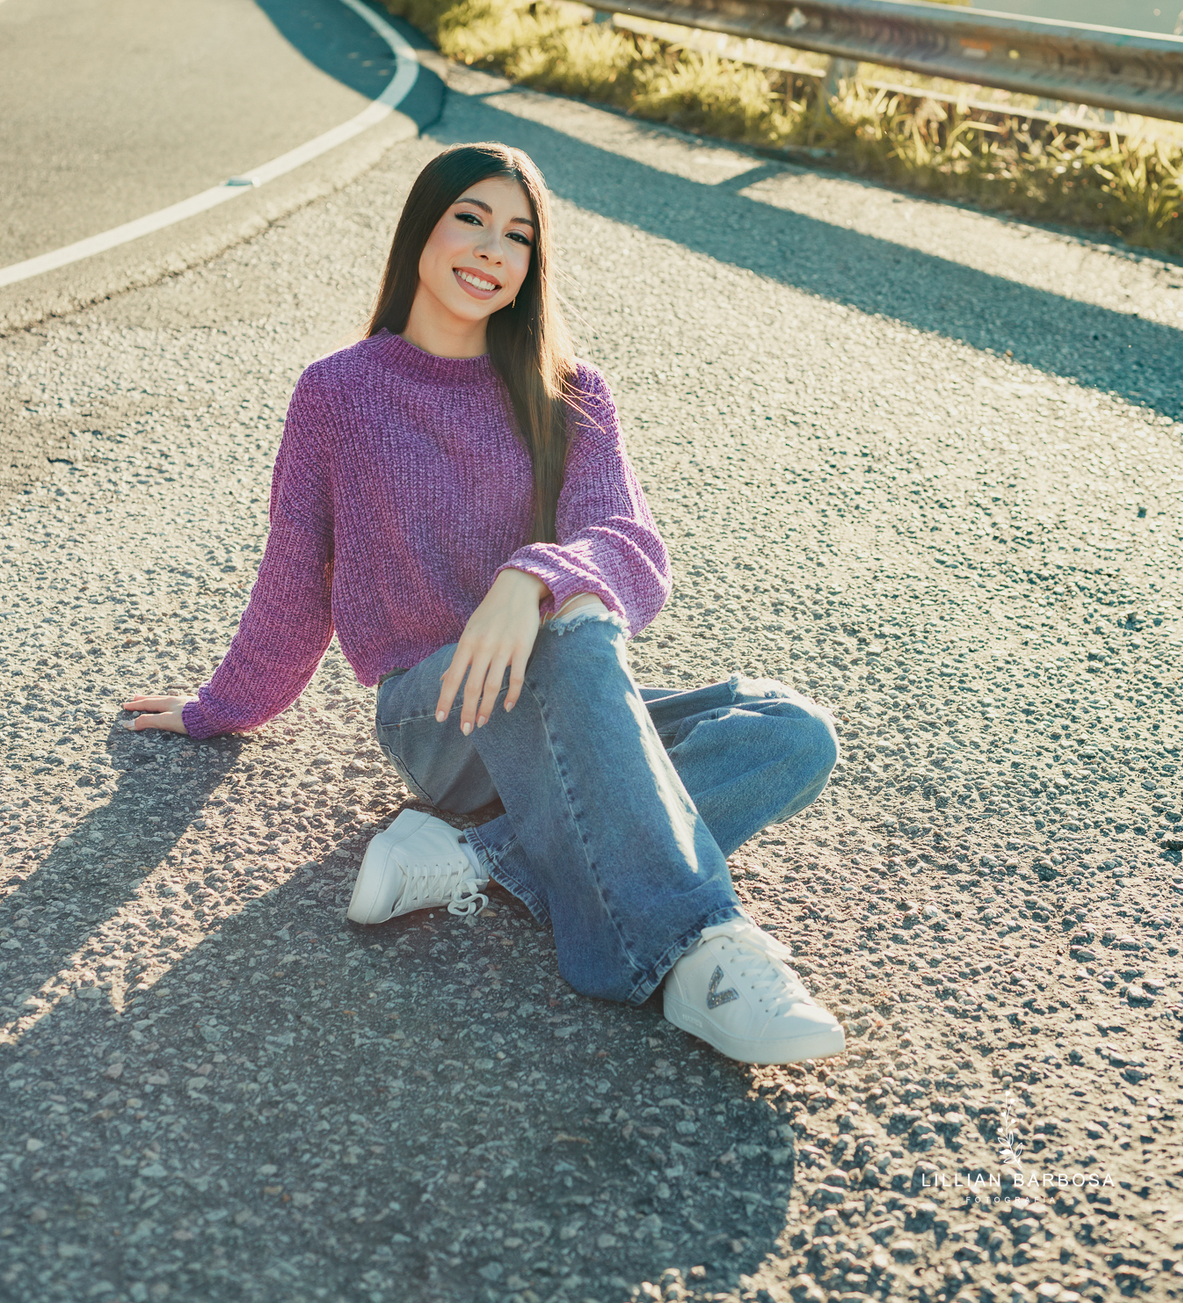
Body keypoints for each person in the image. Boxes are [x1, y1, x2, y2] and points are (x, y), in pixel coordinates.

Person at [123, 142, 844, 1066]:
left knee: (791, 731)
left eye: (519, 235)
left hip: (564, 702)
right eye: (471, 217)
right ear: (422, 226)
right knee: (571, 635)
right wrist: (222, 707)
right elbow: (296, 572)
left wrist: (529, 577)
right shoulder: (338, 392)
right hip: (439, 716)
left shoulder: (570, 395)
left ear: (532, 267)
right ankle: (701, 956)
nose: (491, 248)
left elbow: (631, 547)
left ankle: (477, 860)